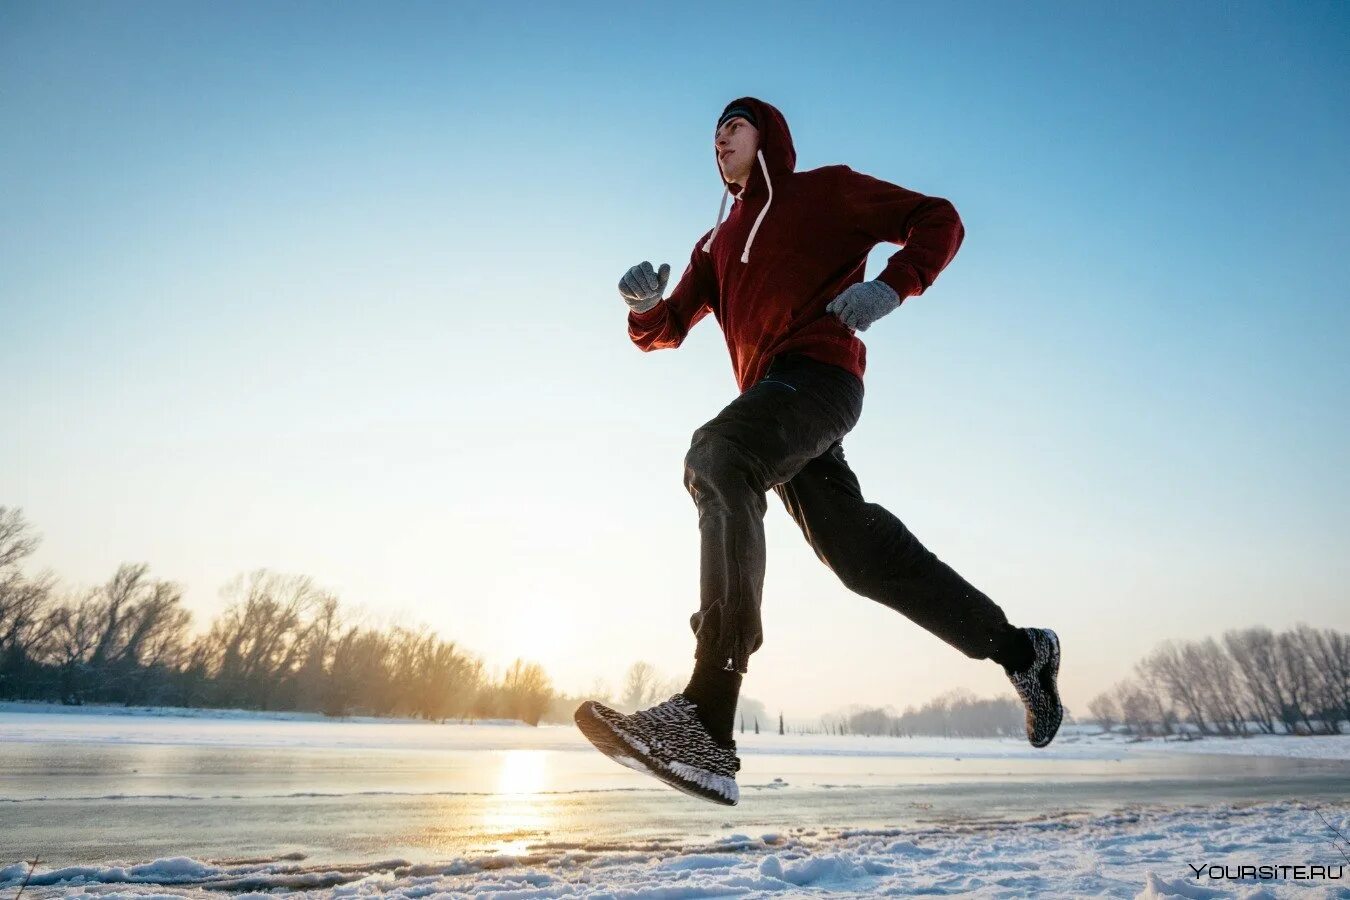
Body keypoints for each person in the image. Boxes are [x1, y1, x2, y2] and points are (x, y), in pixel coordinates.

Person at [575, 97, 1061, 807]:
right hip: (776, 404)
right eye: (713, 134)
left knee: (719, 456)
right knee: (860, 557)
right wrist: (644, 308)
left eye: (734, 127)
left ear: (767, 135)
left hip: (822, 380)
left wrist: (891, 287)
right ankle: (1024, 652)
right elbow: (670, 326)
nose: (720, 139)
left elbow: (939, 218)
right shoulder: (714, 245)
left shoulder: (824, 191)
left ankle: (708, 712)